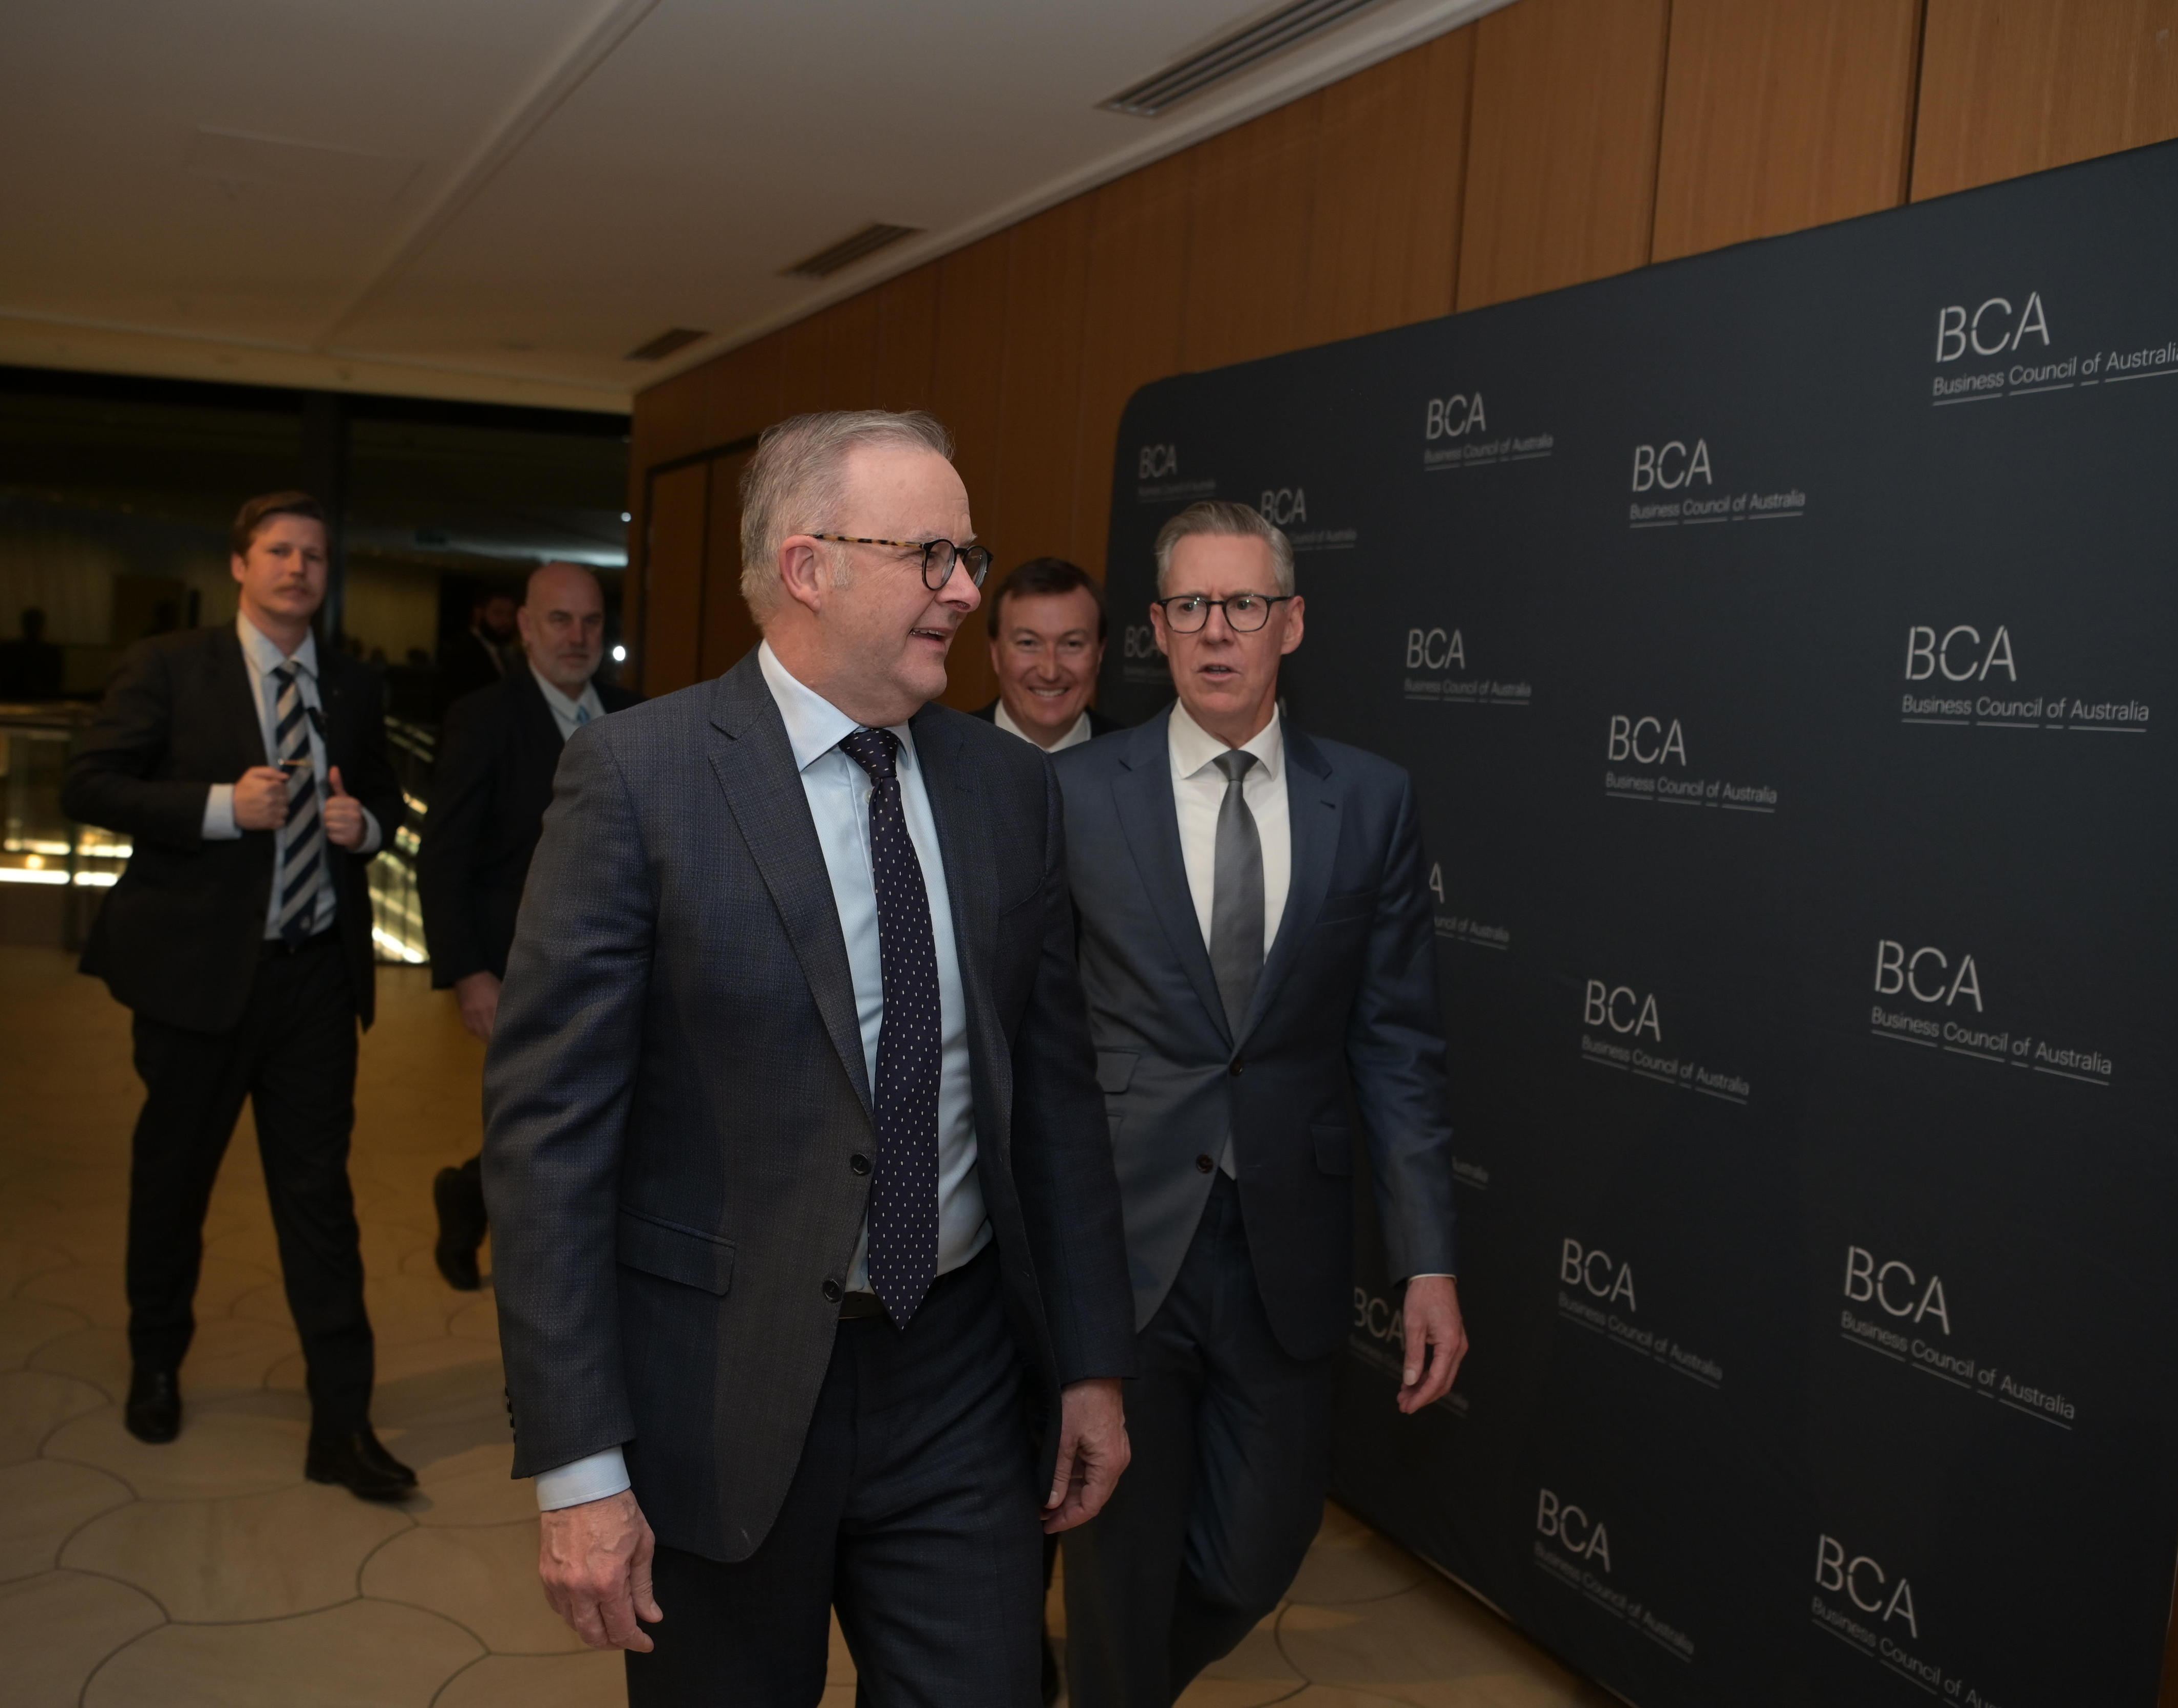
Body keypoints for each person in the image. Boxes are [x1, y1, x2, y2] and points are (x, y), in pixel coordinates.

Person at [483, 409, 1138, 1705]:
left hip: (958, 1374)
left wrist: (1090, 1362)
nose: (966, 591)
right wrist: (579, 1466)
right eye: (932, 555)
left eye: (967, 556)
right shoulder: (640, 779)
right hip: (719, 1394)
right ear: (808, 567)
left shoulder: (1007, 790)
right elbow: (548, 1145)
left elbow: (1055, 1104)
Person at [1053, 500, 1468, 1706]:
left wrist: (1428, 1258)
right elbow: (1036, 1031)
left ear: (1290, 623)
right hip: (1123, 1241)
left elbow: (1397, 1043)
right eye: (1190, 605)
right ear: (1155, 628)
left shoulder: (1370, 800)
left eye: (1242, 604)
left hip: (1286, 1239)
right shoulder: (1076, 794)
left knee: (1257, 1552)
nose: (1215, 630)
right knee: (1118, 1561)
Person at [61, 490, 418, 1503]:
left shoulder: (351, 683)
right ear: (239, 564)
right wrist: (221, 807)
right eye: (279, 551)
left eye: (315, 554)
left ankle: (341, 1424)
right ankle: (156, 1365)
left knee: (320, 1203)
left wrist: (366, 829)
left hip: (315, 978)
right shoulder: (171, 667)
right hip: (197, 981)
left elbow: (385, 797)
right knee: (173, 1184)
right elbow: (89, 784)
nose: (298, 568)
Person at [418, 560, 641, 1290]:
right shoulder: (484, 718)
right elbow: (444, 852)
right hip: (523, 967)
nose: (577, 636)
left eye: (591, 621)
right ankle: (532, 1261)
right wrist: (468, 973)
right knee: (547, 1122)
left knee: (593, 1117)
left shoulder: (637, 716)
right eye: (559, 619)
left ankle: (475, 1193)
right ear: (524, 626)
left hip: (629, 962)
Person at [970, 556, 1119, 751]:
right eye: (1028, 643)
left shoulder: (1140, 760)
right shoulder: (942, 754)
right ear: (995, 652)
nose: (1050, 673)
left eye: (1072, 644)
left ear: (1099, 653)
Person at [439, 581, 521, 709]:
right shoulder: (462, 652)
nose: (505, 621)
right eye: (498, 613)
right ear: (479, 614)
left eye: (510, 615)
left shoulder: (508, 653)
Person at [0, 606, 65, 701]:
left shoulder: (8, 650)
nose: (34, 627)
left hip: (18, 700)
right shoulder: (51, 652)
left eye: (35, 623)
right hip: (28, 700)